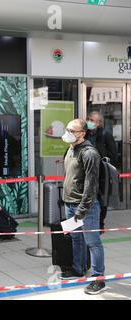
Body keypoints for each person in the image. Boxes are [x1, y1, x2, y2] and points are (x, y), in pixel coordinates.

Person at [59, 119, 106, 295]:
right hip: (70, 203)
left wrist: (81, 211)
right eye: (67, 128)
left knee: (93, 242)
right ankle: (78, 269)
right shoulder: (71, 148)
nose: (68, 132)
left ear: (82, 134)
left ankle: (98, 279)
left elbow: (91, 186)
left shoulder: (89, 153)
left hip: (86, 207)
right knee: (76, 238)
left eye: (72, 130)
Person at [86, 111, 118, 232]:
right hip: (88, 170)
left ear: (99, 123)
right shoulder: (86, 134)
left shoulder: (105, 134)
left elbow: (113, 154)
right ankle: (89, 220)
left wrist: (107, 167)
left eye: (92, 120)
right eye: (88, 119)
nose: (89, 121)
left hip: (102, 172)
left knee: (102, 198)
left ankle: (100, 223)